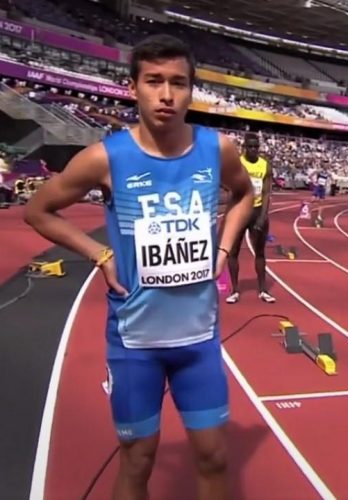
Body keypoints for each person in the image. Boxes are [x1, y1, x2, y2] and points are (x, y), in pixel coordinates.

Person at [24, 34, 254, 500]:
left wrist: (225, 249)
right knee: (138, 459)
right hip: (135, 343)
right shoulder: (106, 158)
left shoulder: (218, 149)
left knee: (214, 456)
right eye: (153, 81)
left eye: (178, 83)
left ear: (191, 91)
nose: (166, 94)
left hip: (198, 340)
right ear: (133, 88)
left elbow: (245, 194)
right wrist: (100, 254)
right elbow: (38, 211)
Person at [225, 132, 276, 304]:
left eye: (256, 147)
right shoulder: (237, 163)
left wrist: (262, 216)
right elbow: (228, 186)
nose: (254, 149)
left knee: (260, 252)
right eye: (250, 146)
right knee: (233, 252)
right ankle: (234, 290)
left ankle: (263, 290)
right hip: (239, 211)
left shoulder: (265, 165)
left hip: (257, 211)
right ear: (244, 147)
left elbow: (266, 192)